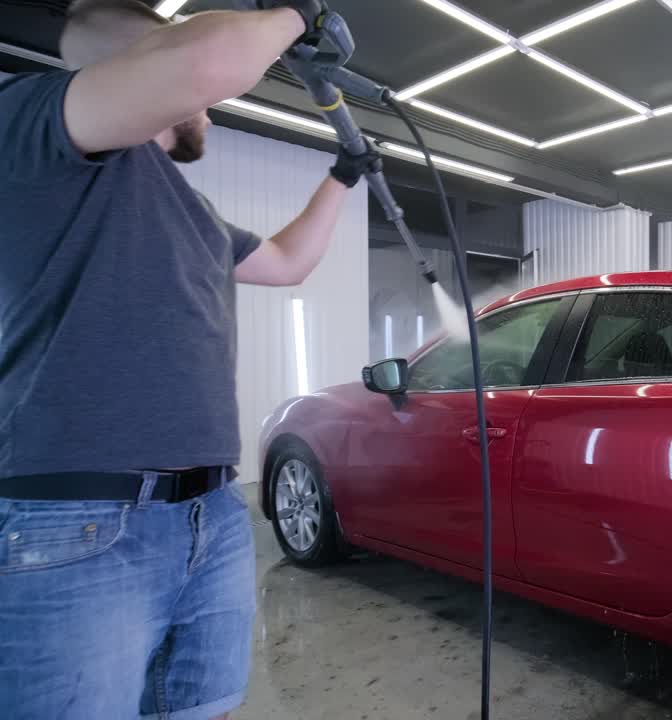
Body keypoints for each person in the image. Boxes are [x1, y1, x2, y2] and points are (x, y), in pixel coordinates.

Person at [0, 0, 378, 717]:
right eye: (197, 96)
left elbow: (289, 263)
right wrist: (298, 13)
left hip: (212, 514)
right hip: (79, 522)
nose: (209, 107)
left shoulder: (193, 208)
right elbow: (202, 62)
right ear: (143, 63)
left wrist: (344, 176)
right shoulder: (26, 120)